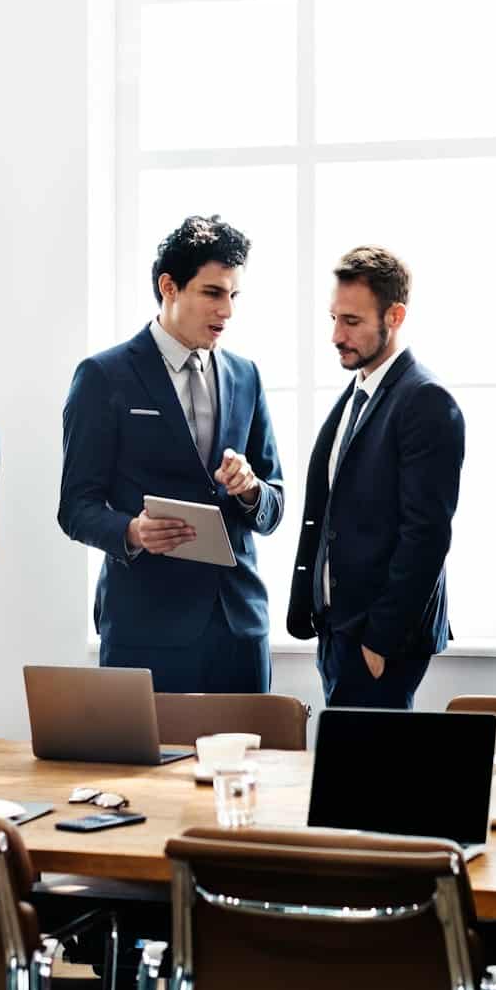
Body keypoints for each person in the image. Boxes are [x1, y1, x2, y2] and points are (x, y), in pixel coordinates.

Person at [58, 215, 285, 693]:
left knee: (245, 770)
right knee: (144, 770)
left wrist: (250, 491)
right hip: (146, 629)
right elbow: (75, 507)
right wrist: (133, 532)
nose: (227, 310)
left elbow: (273, 505)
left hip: (239, 627)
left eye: (233, 295)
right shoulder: (104, 376)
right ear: (169, 287)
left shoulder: (247, 376)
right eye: (213, 293)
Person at [286, 247, 463, 709]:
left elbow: (425, 535)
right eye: (333, 318)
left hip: (378, 639)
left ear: (396, 315)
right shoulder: (359, 391)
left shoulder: (425, 401)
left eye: (351, 321)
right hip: (337, 630)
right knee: (349, 775)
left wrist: (380, 640)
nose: (335, 335)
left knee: (373, 777)